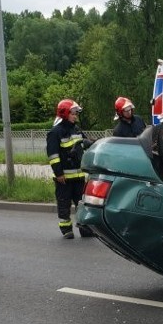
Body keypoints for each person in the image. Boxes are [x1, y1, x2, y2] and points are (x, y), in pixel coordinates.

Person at [46, 99, 93, 239]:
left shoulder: (76, 129)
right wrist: (58, 173)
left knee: (82, 205)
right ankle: (66, 230)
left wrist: (91, 142)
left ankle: (85, 229)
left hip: (79, 176)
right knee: (64, 205)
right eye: (73, 113)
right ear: (65, 113)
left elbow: (85, 143)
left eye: (76, 113)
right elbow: (53, 155)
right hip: (64, 178)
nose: (75, 115)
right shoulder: (55, 132)